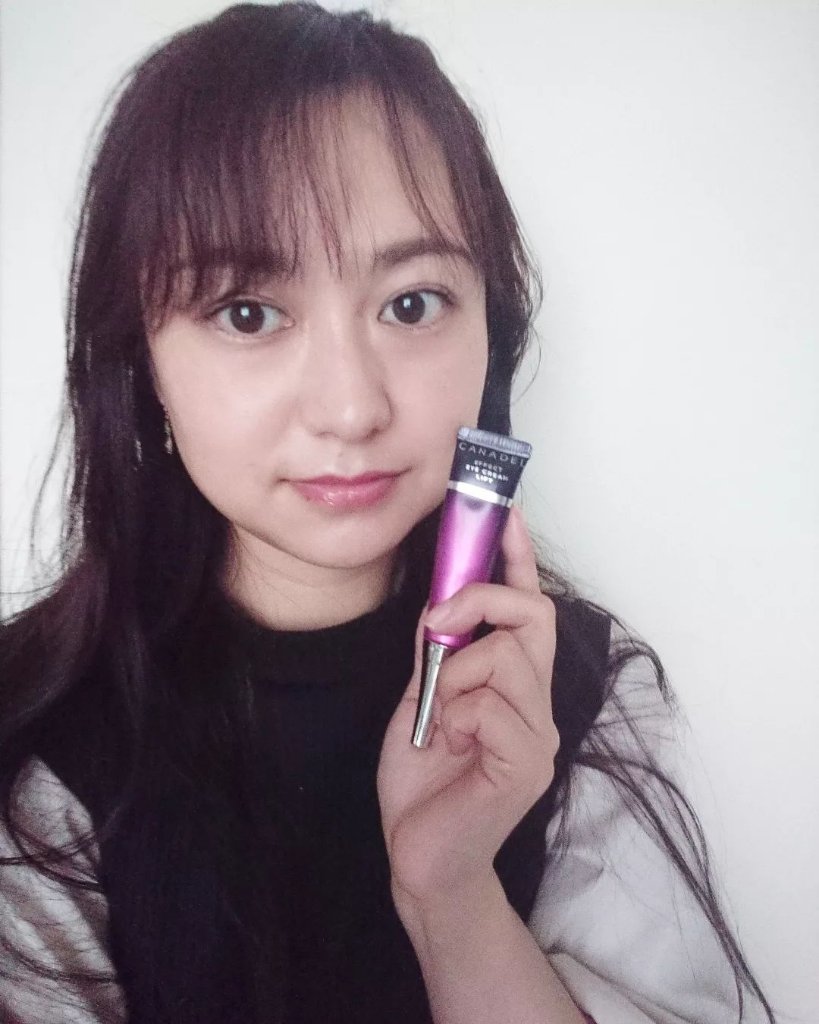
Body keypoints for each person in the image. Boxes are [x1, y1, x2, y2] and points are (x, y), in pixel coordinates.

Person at [0, 3, 776, 1023]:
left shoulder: (583, 696)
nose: (352, 408)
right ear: (139, 363)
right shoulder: (38, 738)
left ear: (491, 329)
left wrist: (451, 897)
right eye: (248, 313)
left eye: (412, 303)